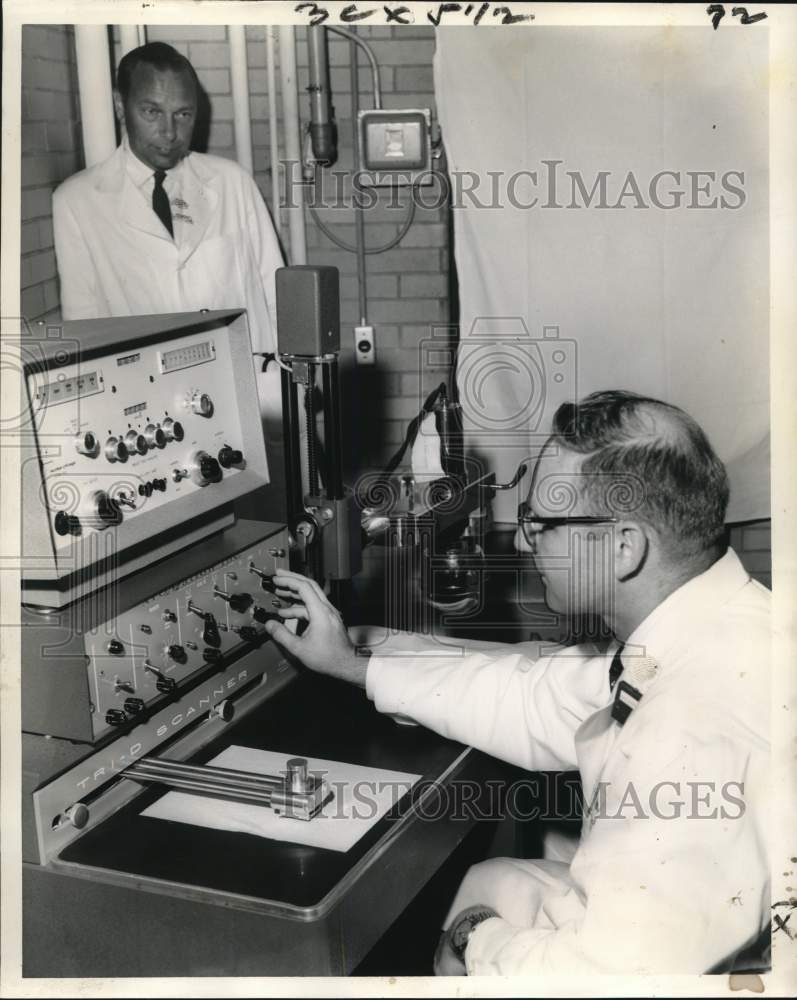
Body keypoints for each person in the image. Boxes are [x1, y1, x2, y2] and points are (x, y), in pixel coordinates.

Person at [263, 389, 770, 976]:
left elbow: (598, 984)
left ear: (624, 546)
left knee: (471, 912)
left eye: (543, 522)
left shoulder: (691, 729)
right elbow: (536, 696)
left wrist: (475, 937)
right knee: (493, 879)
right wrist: (354, 663)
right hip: (697, 931)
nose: (525, 539)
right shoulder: (705, 627)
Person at [52, 42, 283, 357]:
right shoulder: (76, 201)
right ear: (120, 106)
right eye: (151, 112)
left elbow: (276, 295)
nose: (170, 132)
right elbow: (83, 325)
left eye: (183, 114)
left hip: (248, 384)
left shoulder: (234, 182)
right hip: (145, 393)